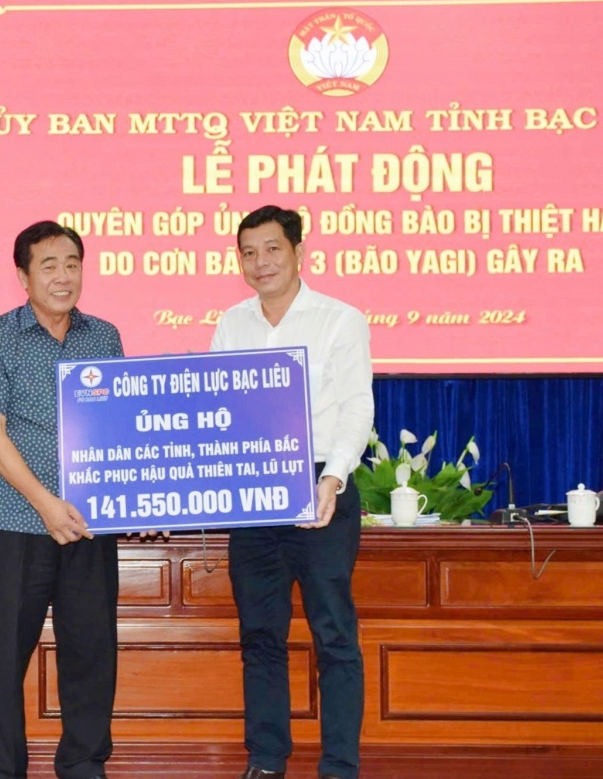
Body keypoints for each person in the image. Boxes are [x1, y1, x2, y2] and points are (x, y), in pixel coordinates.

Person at [209, 205, 374, 779]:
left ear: (299, 252)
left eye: (273, 249)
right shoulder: (231, 324)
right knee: (260, 635)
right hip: (255, 494)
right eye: (249, 253)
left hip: (321, 487)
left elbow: (356, 408)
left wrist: (334, 477)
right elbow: (217, 409)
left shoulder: (340, 320)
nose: (261, 262)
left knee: (334, 635)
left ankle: (339, 766)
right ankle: (266, 760)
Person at [0, 220, 124, 779]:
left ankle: (83, 765)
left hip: (89, 526)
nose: (63, 276)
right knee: (6, 657)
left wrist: (142, 501)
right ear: (23, 276)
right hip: (19, 526)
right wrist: (46, 504)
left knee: (91, 654)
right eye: (49, 265)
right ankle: (1, 768)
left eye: (72, 264)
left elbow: (120, 428)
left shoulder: (104, 337)